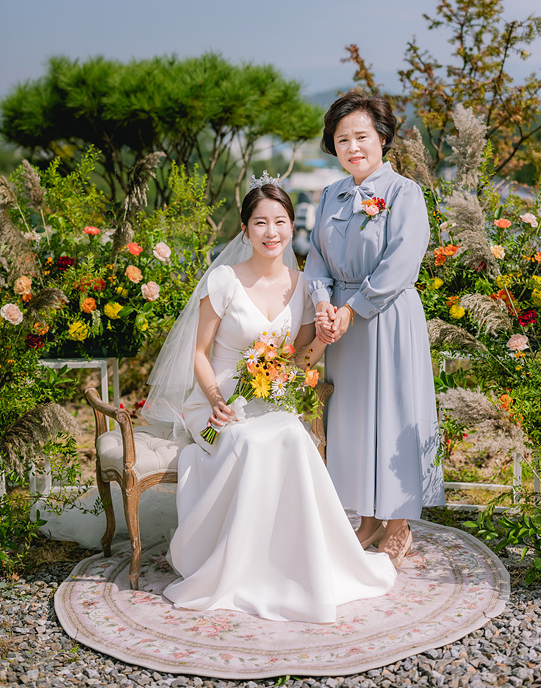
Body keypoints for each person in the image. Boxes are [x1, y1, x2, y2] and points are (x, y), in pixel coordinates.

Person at [142, 174, 395, 623]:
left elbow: (299, 359)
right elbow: (199, 354)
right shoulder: (223, 280)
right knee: (249, 441)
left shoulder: (303, 286)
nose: (271, 232)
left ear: (292, 227)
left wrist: (321, 342)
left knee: (292, 437)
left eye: (280, 221)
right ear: (245, 229)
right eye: (260, 222)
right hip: (217, 401)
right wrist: (217, 399)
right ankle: (240, 567)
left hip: (270, 397)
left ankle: (293, 564)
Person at [304, 92, 445, 567]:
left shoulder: (405, 193)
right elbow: (316, 258)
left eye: (361, 136)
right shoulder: (330, 195)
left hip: (386, 316)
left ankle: (399, 523)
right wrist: (323, 304)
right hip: (341, 328)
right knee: (353, 419)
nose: (352, 147)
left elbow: (402, 262)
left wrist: (353, 308)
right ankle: (368, 518)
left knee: (396, 414)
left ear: (382, 139)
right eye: (342, 139)